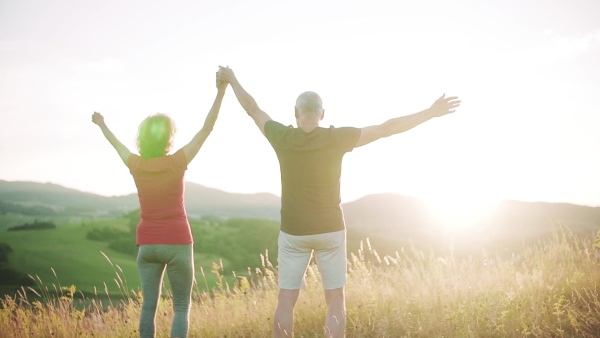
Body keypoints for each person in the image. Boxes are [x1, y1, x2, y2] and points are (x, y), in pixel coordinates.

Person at [217, 66, 460, 338]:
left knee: (286, 298)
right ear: (322, 114)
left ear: (295, 114)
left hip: (294, 232)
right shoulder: (336, 138)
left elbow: (252, 108)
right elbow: (386, 129)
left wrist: (233, 80)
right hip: (330, 230)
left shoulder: (282, 136)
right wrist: (430, 112)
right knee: (335, 299)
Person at [91, 70, 227, 338]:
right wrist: (221, 92)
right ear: (169, 138)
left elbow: (114, 143)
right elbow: (206, 129)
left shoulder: (136, 164)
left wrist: (101, 124)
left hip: (147, 244)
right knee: (180, 307)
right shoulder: (177, 161)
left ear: (143, 139)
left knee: (148, 308)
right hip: (177, 240)